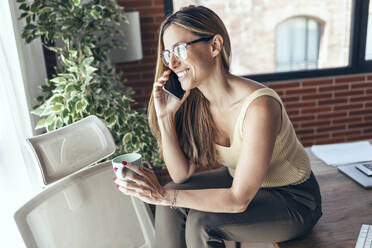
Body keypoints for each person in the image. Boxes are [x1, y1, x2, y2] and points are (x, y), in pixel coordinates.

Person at [113, 5, 322, 248]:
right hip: (239, 180)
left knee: (201, 222)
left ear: (215, 46)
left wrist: (160, 195)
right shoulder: (195, 102)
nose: (172, 62)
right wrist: (164, 116)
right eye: (167, 53)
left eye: (179, 49)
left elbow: (238, 199)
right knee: (172, 202)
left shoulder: (259, 107)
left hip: (293, 199)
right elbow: (180, 176)